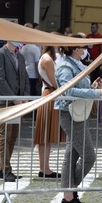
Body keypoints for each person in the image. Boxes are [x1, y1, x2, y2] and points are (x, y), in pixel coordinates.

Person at [55, 37, 102, 203]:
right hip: (70, 113)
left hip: (78, 112)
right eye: (84, 47)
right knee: (88, 155)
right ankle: (69, 191)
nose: (86, 49)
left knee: (72, 155)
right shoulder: (66, 66)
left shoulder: (75, 65)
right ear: (76, 49)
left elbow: (79, 87)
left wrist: (93, 87)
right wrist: (96, 93)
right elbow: (68, 90)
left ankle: (69, 196)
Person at [0, 40, 28, 182]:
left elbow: (24, 77)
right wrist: (13, 98)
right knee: (5, 134)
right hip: (5, 101)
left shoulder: (20, 56)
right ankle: (6, 169)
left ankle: (2, 168)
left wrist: (25, 97)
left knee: (12, 135)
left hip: (17, 102)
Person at [33, 45, 65, 178]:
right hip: (50, 94)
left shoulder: (47, 58)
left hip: (49, 93)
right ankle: (44, 168)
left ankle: (45, 168)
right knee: (45, 135)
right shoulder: (47, 59)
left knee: (46, 136)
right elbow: (55, 82)